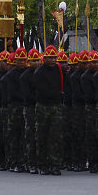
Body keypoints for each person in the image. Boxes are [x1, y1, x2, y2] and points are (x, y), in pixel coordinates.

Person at [34, 45, 65, 175]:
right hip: (43, 106)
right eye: (50, 58)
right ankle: (42, 164)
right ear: (44, 58)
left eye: (54, 58)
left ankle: (55, 164)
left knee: (56, 136)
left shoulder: (59, 70)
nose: (52, 60)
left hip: (56, 107)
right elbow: (42, 91)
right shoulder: (39, 72)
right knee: (42, 136)